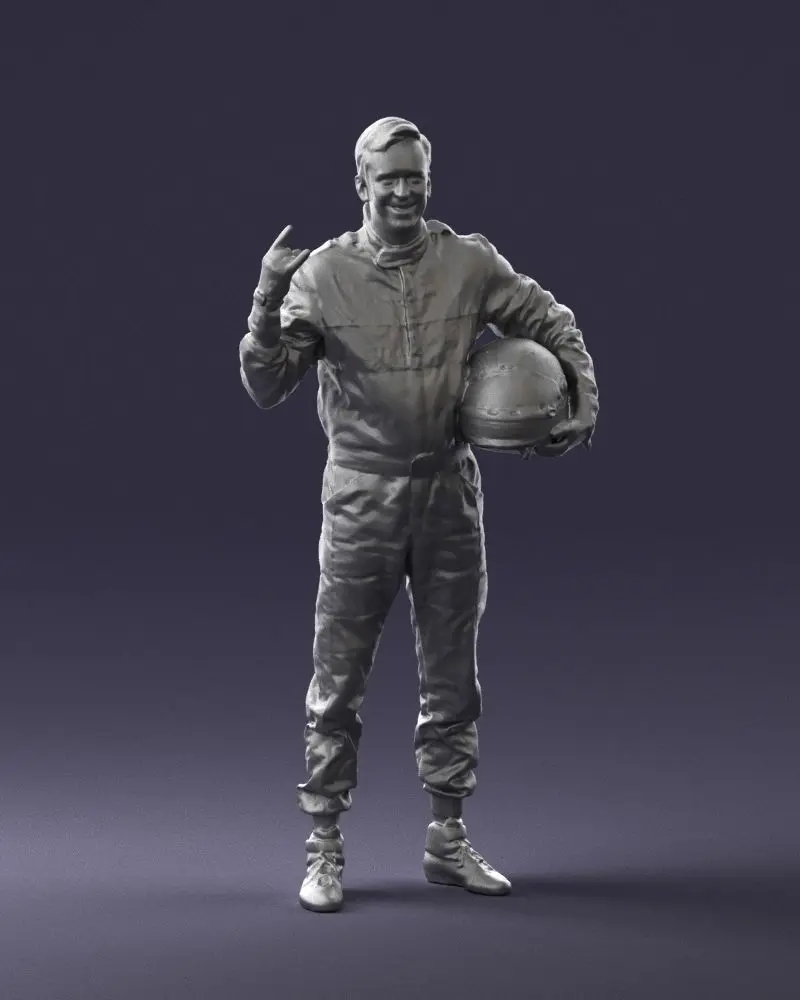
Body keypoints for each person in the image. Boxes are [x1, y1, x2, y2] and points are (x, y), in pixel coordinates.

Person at [239, 117, 598, 913]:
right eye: (387, 178)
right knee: (338, 678)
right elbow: (266, 385)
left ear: (428, 181)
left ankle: (447, 839)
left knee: (452, 675)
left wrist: (583, 395)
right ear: (361, 185)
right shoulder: (323, 273)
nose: (402, 191)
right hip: (360, 497)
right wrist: (266, 299)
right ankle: (324, 844)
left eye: (414, 176)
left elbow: (550, 319)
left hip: (447, 493)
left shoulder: (468, 262)